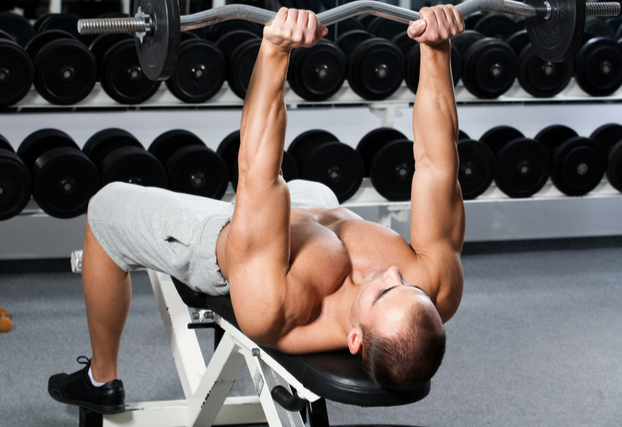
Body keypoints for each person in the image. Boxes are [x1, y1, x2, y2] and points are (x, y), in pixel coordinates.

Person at [49, 4, 465, 414]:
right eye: (410, 289)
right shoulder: (435, 288)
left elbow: (259, 173)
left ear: (355, 340)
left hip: (231, 241)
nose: (394, 273)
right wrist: (437, 49)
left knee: (103, 207)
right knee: (312, 187)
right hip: (307, 213)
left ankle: (100, 380)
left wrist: (274, 51)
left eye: (386, 290)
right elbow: (437, 165)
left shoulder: (280, 306)